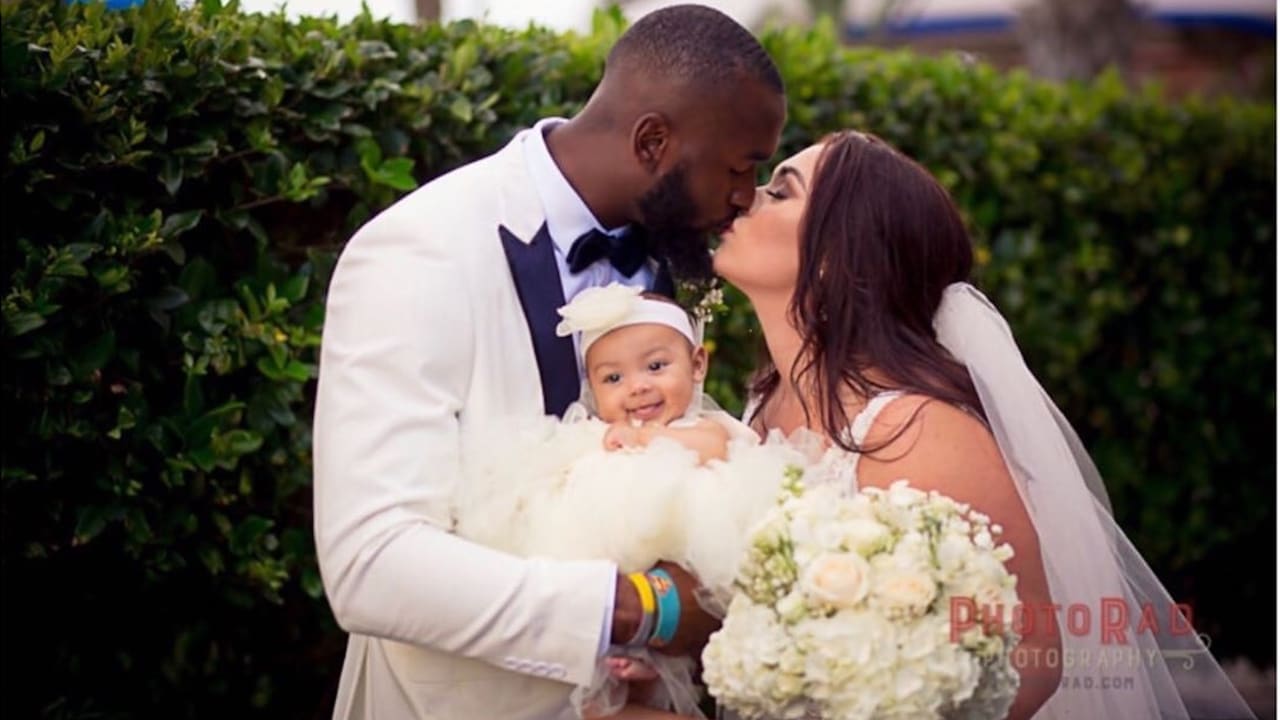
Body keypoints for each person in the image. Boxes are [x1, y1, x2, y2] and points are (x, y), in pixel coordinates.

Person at [311, 4, 786, 719]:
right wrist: (638, 608)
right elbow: (370, 564)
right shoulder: (419, 250)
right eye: (739, 167)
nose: (747, 197)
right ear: (653, 141)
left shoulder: (670, 245)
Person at [703, 130, 1256, 719]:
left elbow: (1036, 653)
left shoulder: (919, 432)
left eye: (781, 192)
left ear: (838, 255)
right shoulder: (765, 405)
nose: (746, 197)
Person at [556, 284, 756, 465]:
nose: (638, 387)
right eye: (614, 378)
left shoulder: (699, 429)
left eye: (655, 366)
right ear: (591, 387)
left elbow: (716, 448)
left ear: (696, 365)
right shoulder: (589, 436)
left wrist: (641, 438)